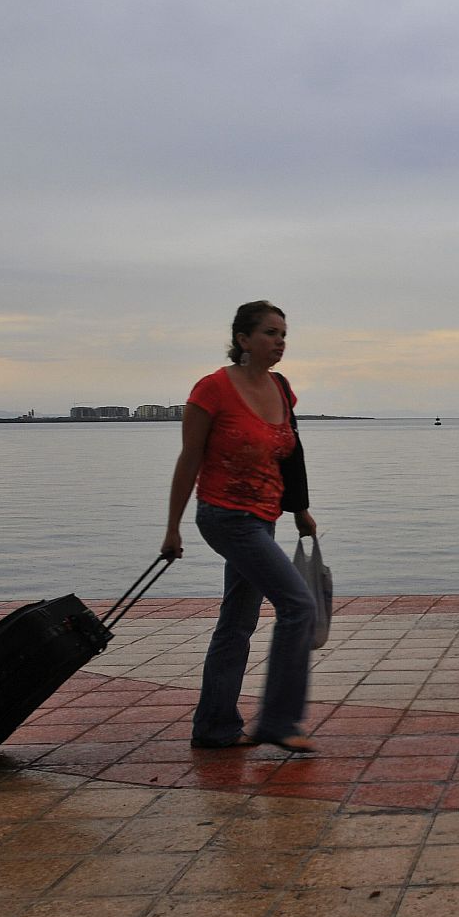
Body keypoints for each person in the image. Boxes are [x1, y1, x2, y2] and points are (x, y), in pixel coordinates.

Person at [162, 301, 318, 753]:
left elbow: (292, 452)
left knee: (237, 623)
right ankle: (278, 720)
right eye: (270, 332)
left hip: (263, 517)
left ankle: (214, 727)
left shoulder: (282, 388)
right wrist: (172, 529)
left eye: (283, 333)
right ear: (243, 340)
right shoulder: (212, 389)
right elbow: (188, 459)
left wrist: (299, 509)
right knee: (298, 606)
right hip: (224, 516)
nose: (280, 341)